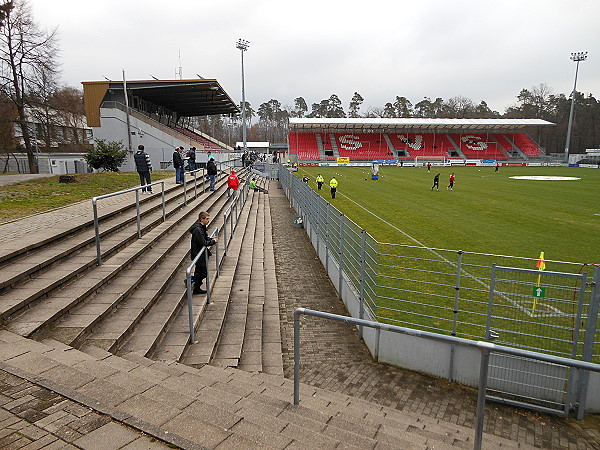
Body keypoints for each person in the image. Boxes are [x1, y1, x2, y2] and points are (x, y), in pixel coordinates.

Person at [189, 211, 218, 294]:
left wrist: (211, 239)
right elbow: (203, 243)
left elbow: (204, 238)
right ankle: (191, 280)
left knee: (200, 271)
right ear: (201, 219)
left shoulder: (201, 227)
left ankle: (196, 286)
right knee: (203, 272)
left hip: (200, 254)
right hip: (198, 254)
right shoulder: (198, 229)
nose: (208, 221)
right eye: (207, 219)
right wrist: (213, 241)